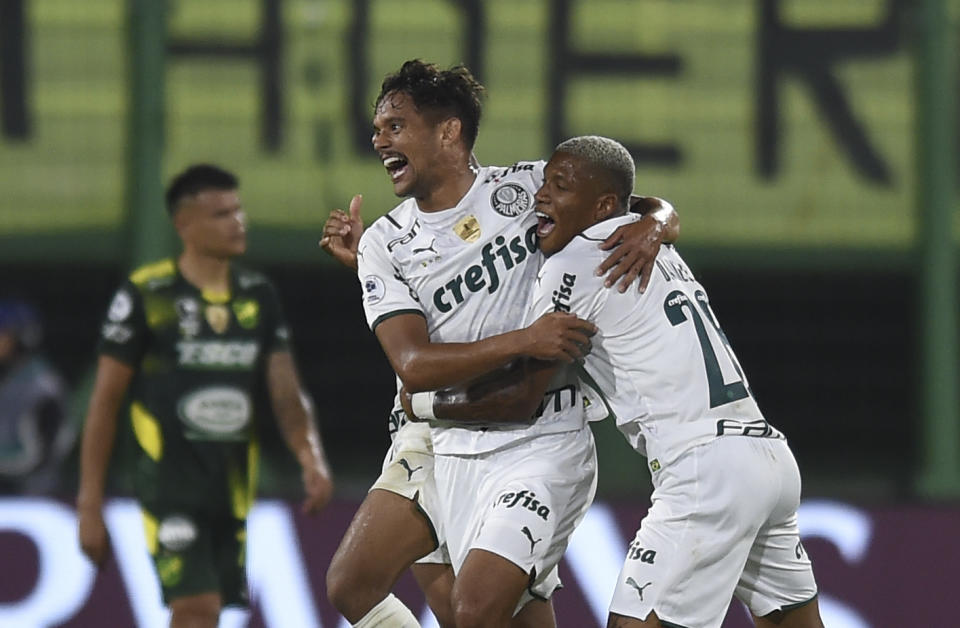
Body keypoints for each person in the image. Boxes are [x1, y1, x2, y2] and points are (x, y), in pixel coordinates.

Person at [403, 135, 825, 628]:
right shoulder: (646, 241)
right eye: (544, 184)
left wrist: (426, 405)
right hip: (768, 459)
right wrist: (659, 219)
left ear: (602, 205)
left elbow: (520, 398)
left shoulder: (572, 265)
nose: (542, 197)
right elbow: (648, 205)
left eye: (559, 187)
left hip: (703, 471)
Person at [320, 59, 679, 628]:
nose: (378, 138)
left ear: (449, 132)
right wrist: (526, 339)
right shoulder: (386, 242)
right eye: (377, 127)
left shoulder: (526, 187)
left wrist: (655, 225)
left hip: (535, 431)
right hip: (440, 435)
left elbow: (625, 200)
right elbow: (411, 363)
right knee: (357, 585)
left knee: (479, 612)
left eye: (395, 125)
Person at [76, 164, 335, 628]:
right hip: (168, 484)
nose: (238, 221)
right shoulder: (146, 296)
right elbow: (104, 402)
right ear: (184, 225)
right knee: (197, 608)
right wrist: (89, 503)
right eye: (221, 214)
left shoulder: (257, 296)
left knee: (209, 612)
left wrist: (309, 454)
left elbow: (285, 390)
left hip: (232, 487)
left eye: (238, 210)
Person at [0, 300, 73, 495]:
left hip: (35, 497)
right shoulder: (11, 378)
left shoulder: (41, 384)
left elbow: (42, 455)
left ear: (21, 336)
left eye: (2, 333)